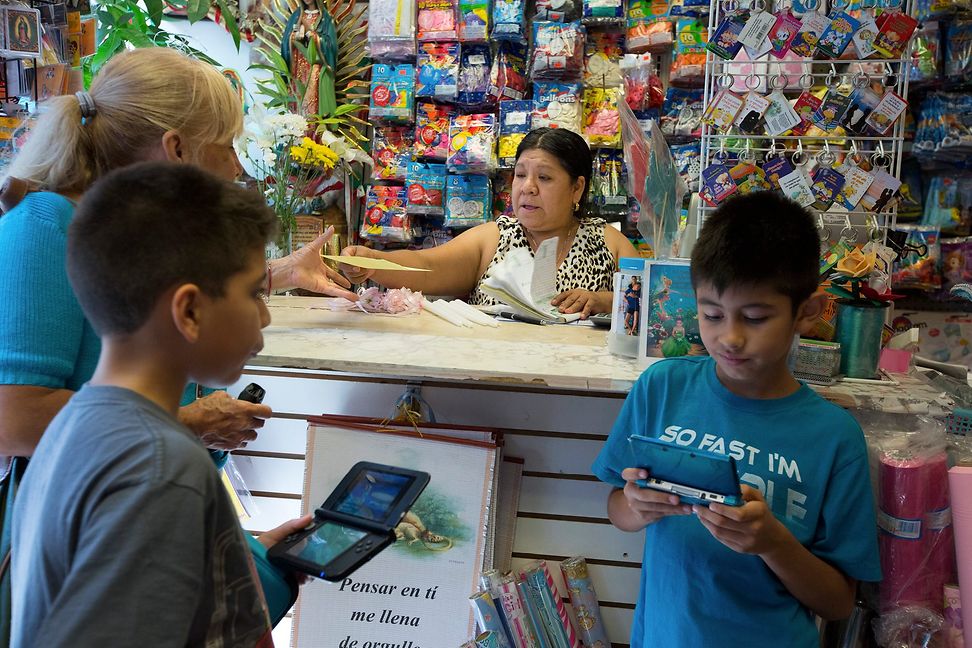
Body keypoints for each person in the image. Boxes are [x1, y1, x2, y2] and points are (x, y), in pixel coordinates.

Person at [0, 47, 353, 635]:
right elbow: (13, 418)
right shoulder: (42, 230)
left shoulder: (121, 237)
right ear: (177, 150)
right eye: (228, 147)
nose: (239, 168)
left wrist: (240, 549)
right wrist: (183, 425)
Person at [12, 161, 312, 647]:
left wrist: (231, 556)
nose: (265, 315)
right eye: (255, 291)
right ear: (189, 311)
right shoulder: (161, 469)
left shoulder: (76, 428)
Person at [591, 192, 881, 647]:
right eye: (711, 314)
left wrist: (773, 542)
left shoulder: (835, 438)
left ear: (806, 312)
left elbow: (838, 602)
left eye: (756, 317)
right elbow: (617, 508)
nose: (729, 337)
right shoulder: (662, 388)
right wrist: (636, 505)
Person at [340, 127, 638, 317]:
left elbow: (656, 305)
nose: (528, 187)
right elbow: (426, 266)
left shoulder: (607, 242)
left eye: (544, 178)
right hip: (491, 385)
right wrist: (373, 260)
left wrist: (605, 301)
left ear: (577, 188)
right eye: (521, 175)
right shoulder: (494, 238)